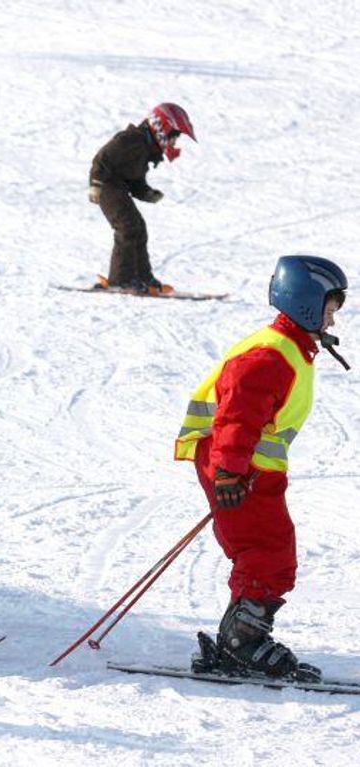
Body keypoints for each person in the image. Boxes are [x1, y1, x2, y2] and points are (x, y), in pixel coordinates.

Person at [175, 255, 348, 681]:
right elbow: (236, 417)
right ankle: (243, 644)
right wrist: (229, 472)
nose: (332, 318)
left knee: (263, 550)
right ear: (305, 302)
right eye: (328, 307)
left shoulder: (290, 349)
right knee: (268, 552)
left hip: (249, 468)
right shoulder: (271, 356)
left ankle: (237, 639)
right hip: (237, 468)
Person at [88, 102, 195, 293]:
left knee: (138, 228)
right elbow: (102, 159)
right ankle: (120, 280)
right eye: (174, 137)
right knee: (127, 227)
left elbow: (134, 180)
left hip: (118, 187)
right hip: (107, 185)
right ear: (162, 128)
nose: (174, 143)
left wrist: (145, 192)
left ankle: (142, 277)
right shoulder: (131, 140)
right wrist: (95, 184)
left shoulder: (146, 147)